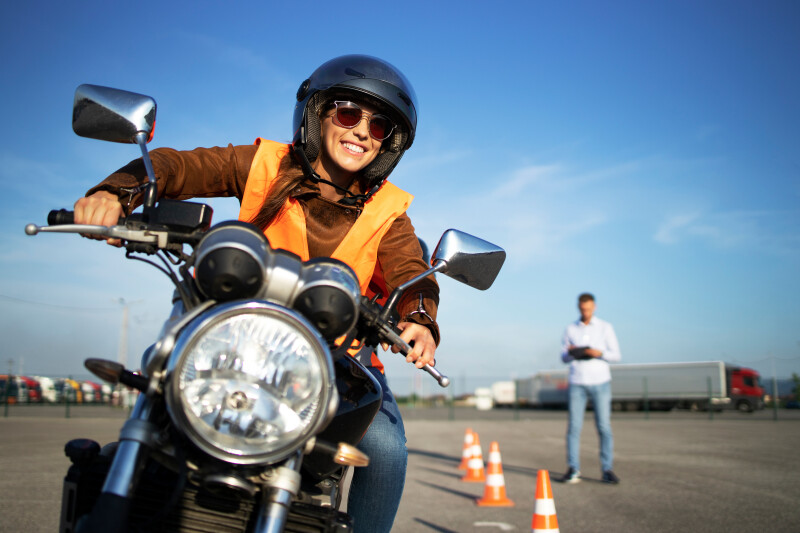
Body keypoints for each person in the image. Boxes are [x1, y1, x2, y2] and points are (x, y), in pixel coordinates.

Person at [73, 54, 439, 533]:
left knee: (386, 449)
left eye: (380, 126)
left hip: (336, 367)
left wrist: (419, 316)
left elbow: (413, 269)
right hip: (232, 340)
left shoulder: (390, 211)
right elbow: (176, 166)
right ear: (319, 113)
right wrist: (117, 192)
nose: (362, 131)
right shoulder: (264, 164)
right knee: (160, 385)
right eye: (349, 113)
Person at [559, 292, 621, 484]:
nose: (585, 311)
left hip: (600, 382)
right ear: (579, 307)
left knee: (603, 426)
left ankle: (607, 469)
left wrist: (598, 352)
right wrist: (573, 352)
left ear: (594, 307)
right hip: (577, 382)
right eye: (582, 308)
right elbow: (563, 357)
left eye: (588, 308)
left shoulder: (605, 327)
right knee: (574, 428)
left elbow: (616, 355)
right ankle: (573, 468)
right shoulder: (570, 328)